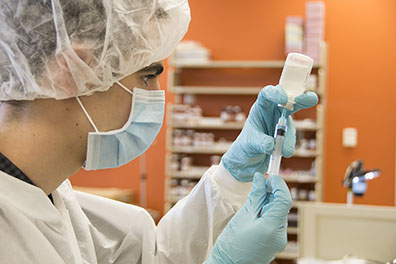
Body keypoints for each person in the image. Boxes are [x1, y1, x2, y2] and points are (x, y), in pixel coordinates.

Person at [0, 0, 318, 263]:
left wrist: (233, 176)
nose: (155, 95)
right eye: (148, 75)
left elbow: (153, 257)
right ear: (73, 72)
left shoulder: (49, 195)